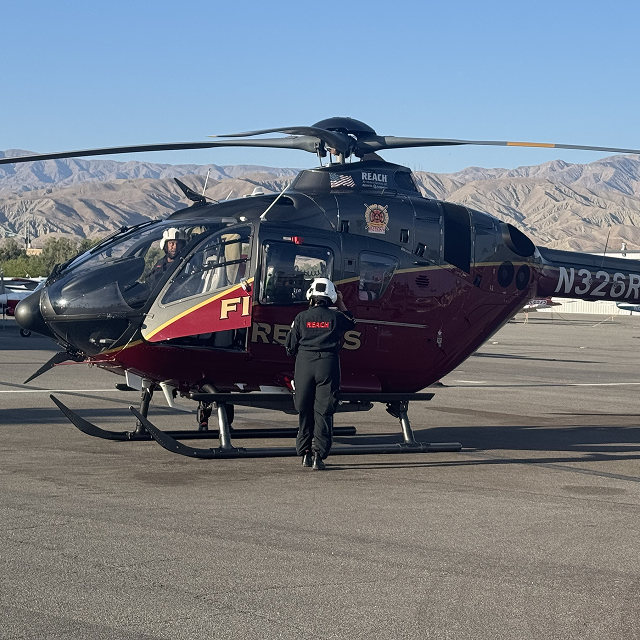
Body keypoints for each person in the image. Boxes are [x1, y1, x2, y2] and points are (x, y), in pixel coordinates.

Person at [285, 278, 356, 470]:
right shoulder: (336, 318)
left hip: (304, 365)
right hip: (328, 364)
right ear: (330, 296)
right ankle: (319, 456)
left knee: (304, 408)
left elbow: (290, 347)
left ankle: (304, 454)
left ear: (311, 296)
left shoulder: (300, 318)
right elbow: (352, 322)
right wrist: (341, 303)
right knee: (324, 410)